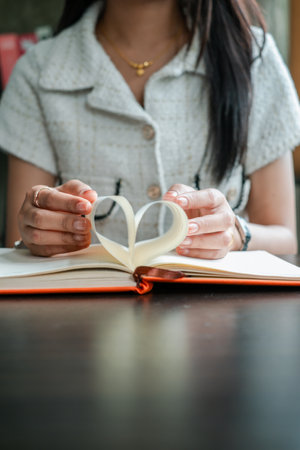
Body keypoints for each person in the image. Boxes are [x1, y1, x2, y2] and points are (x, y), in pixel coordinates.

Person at [1, 0, 300, 259]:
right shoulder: (38, 73)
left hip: (230, 316)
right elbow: (21, 241)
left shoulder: (252, 58)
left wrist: (236, 233)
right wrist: (35, 234)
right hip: (88, 320)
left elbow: (285, 238)